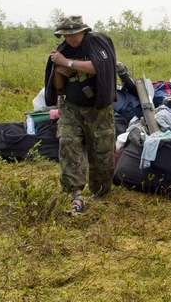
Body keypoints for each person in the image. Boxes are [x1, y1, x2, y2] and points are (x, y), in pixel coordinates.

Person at [45, 15, 117, 215]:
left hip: (98, 108)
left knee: (101, 151)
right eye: (64, 35)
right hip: (72, 106)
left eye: (73, 34)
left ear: (83, 31)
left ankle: (100, 190)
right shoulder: (62, 51)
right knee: (68, 143)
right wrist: (58, 69)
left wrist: (67, 63)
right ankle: (74, 192)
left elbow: (98, 67)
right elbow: (58, 87)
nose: (69, 38)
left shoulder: (95, 44)